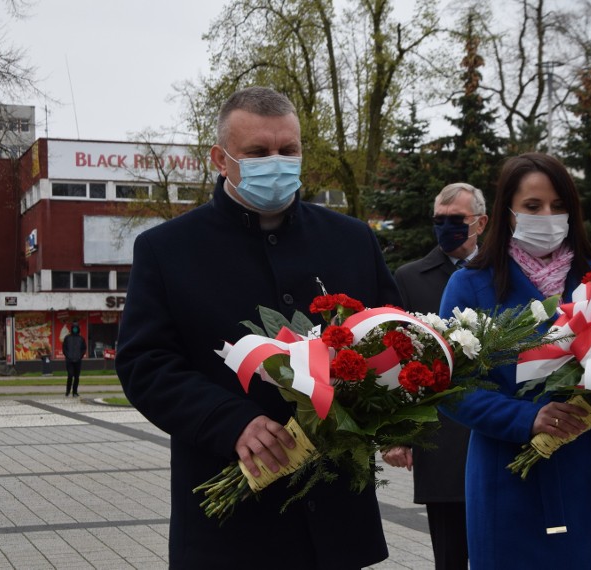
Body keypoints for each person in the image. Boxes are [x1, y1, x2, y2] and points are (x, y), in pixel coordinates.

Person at [116, 87, 400, 569]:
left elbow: (393, 335)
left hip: (335, 518)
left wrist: (393, 412)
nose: (277, 162)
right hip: (231, 521)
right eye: (258, 152)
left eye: (288, 151)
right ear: (220, 159)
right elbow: (145, 363)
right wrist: (231, 422)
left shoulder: (351, 241)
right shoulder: (167, 249)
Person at [439, 152, 591, 569]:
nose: (548, 216)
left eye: (559, 206)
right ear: (508, 212)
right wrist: (525, 418)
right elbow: (450, 387)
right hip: (510, 474)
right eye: (533, 206)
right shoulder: (471, 284)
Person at [382, 182, 488, 570]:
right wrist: (398, 434)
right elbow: (395, 358)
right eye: (439, 220)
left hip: (498, 431)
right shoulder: (411, 277)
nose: (446, 227)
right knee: (451, 556)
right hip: (440, 437)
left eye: (455, 220)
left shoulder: (500, 273)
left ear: (481, 222)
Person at [62, 324, 86, 397]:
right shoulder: (67, 338)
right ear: (71, 329)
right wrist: (68, 356)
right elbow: (64, 348)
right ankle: (68, 391)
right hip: (69, 361)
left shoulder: (81, 338)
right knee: (70, 375)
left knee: (76, 377)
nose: (75, 330)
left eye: (76, 328)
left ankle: (75, 392)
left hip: (78, 361)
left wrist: (80, 356)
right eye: (74, 328)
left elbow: (84, 348)